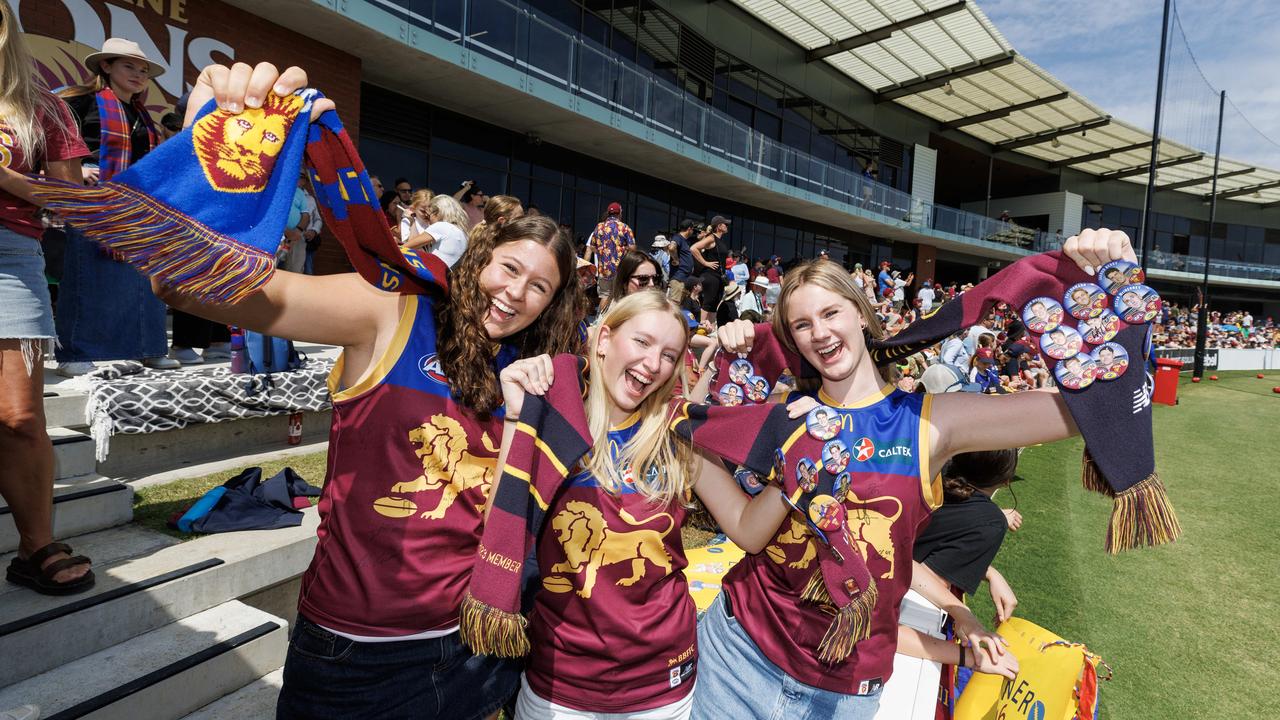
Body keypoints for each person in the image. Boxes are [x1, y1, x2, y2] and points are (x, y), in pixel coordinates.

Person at [151, 62, 585, 718]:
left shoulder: (528, 371)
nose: (516, 294)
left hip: (472, 649)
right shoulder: (392, 311)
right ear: (480, 256)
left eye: (539, 287)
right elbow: (183, 285)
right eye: (510, 268)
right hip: (358, 656)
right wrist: (207, 148)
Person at [695, 229, 1137, 718]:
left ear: (861, 314)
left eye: (830, 313)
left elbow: (1095, 407)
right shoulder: (786, 413)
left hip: (842, 692)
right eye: (801, 324)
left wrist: (1118, 282)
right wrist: (721, 350)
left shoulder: (928, 421)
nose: (818, 332)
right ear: (793, 338)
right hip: (736, 655)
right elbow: (684, 430)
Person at [495, 292, 792, 720]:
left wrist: (796, 471)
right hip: (560, 684)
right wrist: (515, 418)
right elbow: (501, 528)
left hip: (662, 688)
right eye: (642, 343)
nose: (653, 364)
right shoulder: (554, 419)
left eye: (669, 354)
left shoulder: (675, 433)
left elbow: (746, 528)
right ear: (603, 339)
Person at [0, 0, 95, 595]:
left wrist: (7, 178)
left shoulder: (42, 103)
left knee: (20, 415)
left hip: (10, 255)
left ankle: (34, 547)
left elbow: (68, 202)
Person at [54, 38, 180, 376]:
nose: (139, 75)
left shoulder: (143, 117)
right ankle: (76, 354)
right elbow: (49, 140)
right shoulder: (78, 101)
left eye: (143, 71)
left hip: (136, 209)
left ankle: (147, 348)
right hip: (94, 203)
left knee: (143, 278)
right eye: (129, 67)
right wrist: (76, 169)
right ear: (105, 66)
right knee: (88, 278)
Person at [582, 201, 636, 313]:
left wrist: (601, 253)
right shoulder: (624, 227)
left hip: (603, 269)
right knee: (619, 297)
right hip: (620, 270)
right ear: (619, 213)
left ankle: (600, 321)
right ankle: (614, 323)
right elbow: (632, 248)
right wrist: (623, 249)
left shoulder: (599, 227)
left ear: (608, 213)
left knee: (605, 296)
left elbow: (591, 247)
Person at [449, 194, 522, 269]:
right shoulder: (494, 251)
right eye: (520, 218)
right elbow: (453, 201)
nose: (524, 221)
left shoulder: (482, 245)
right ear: (502, 221)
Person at [403, 194, 470, 265]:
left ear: (437, 213)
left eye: (429, 216)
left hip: (436, 274)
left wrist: (412, 220)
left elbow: (408, 247)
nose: (429, 221)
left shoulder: (441, 226)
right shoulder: (462, 232)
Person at [691, 217, 729, 326]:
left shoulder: (719, 240)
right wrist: (705, 263)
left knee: (714, 304)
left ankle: (711, 329)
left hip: (718, 277)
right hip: (710, 275)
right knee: (708, 303)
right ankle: (701, 328)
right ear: (718, 226)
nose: (727, 226)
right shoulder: (712, 238)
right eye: (725, 224)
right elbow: (694, 248)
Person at [666, 219, 696, 302]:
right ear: (689, 229)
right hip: (678, 279)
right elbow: (671, 248)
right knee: (675, 306)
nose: (693, 231)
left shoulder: (685, 241)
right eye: (693, 229)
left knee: (681, 308)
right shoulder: (677, 237)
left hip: (685, 280)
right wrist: (676, 260)